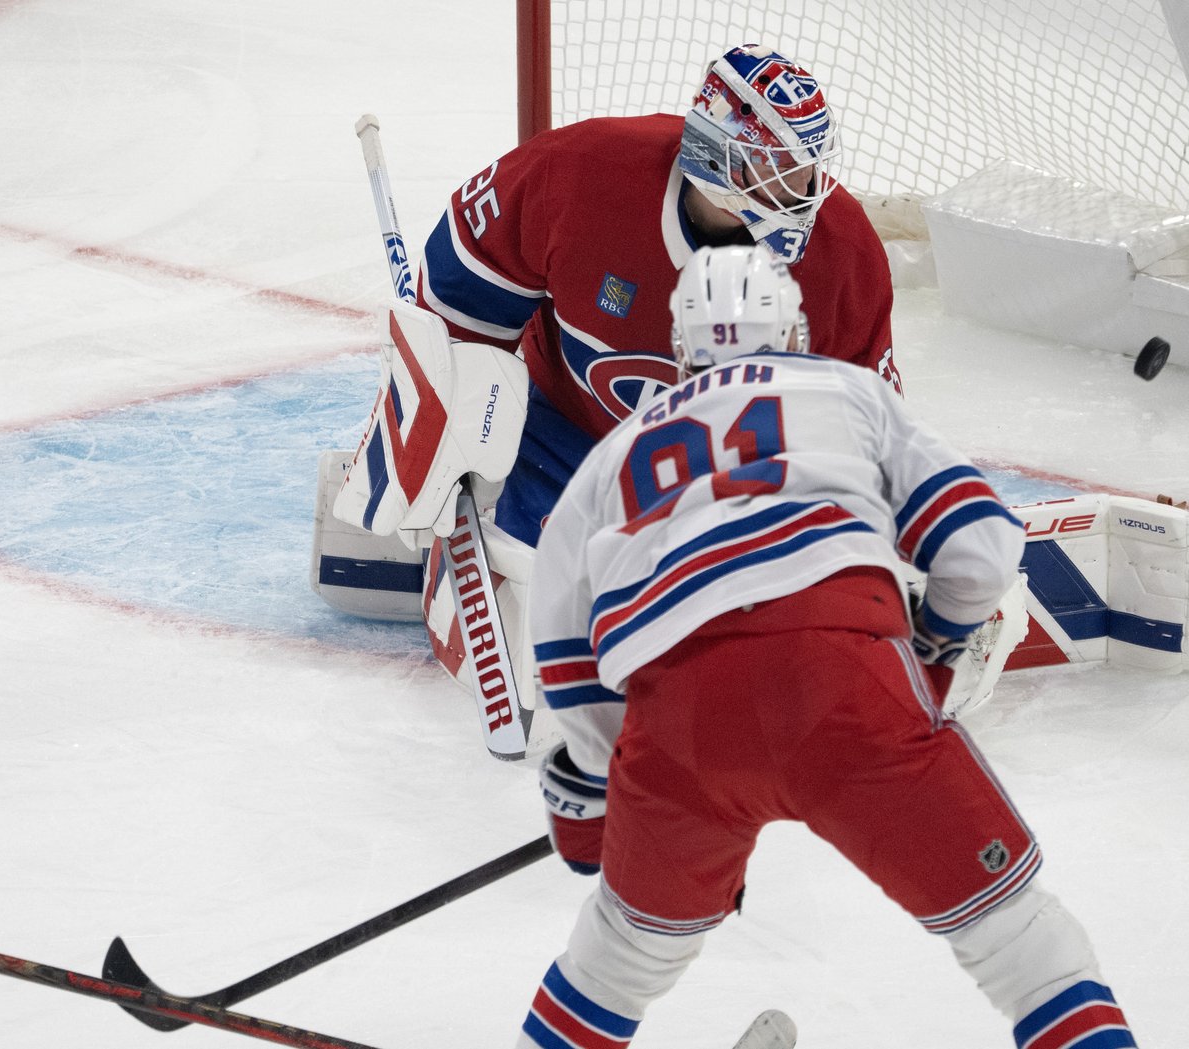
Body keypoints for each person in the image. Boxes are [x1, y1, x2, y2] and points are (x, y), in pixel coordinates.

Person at [519, 245, 1138, 1049]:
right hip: (841, 677)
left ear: (678, 349)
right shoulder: (846, 389)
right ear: (795, 329)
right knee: (1021, 942)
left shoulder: (612, 455)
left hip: (681, 724)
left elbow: (566, 652)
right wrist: (935, 642)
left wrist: (605, 780)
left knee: (615, 961)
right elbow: (982, 544)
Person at [409, 42, 900, 699]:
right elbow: (461, 286)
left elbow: (867, 437)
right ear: (716, 161)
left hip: (744, 483)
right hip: (573, 449)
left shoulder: (844, 253)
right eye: (781, 170)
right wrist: (442, 425)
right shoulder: (580, 177)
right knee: (549, 616)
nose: (806, 195)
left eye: (808, 170)